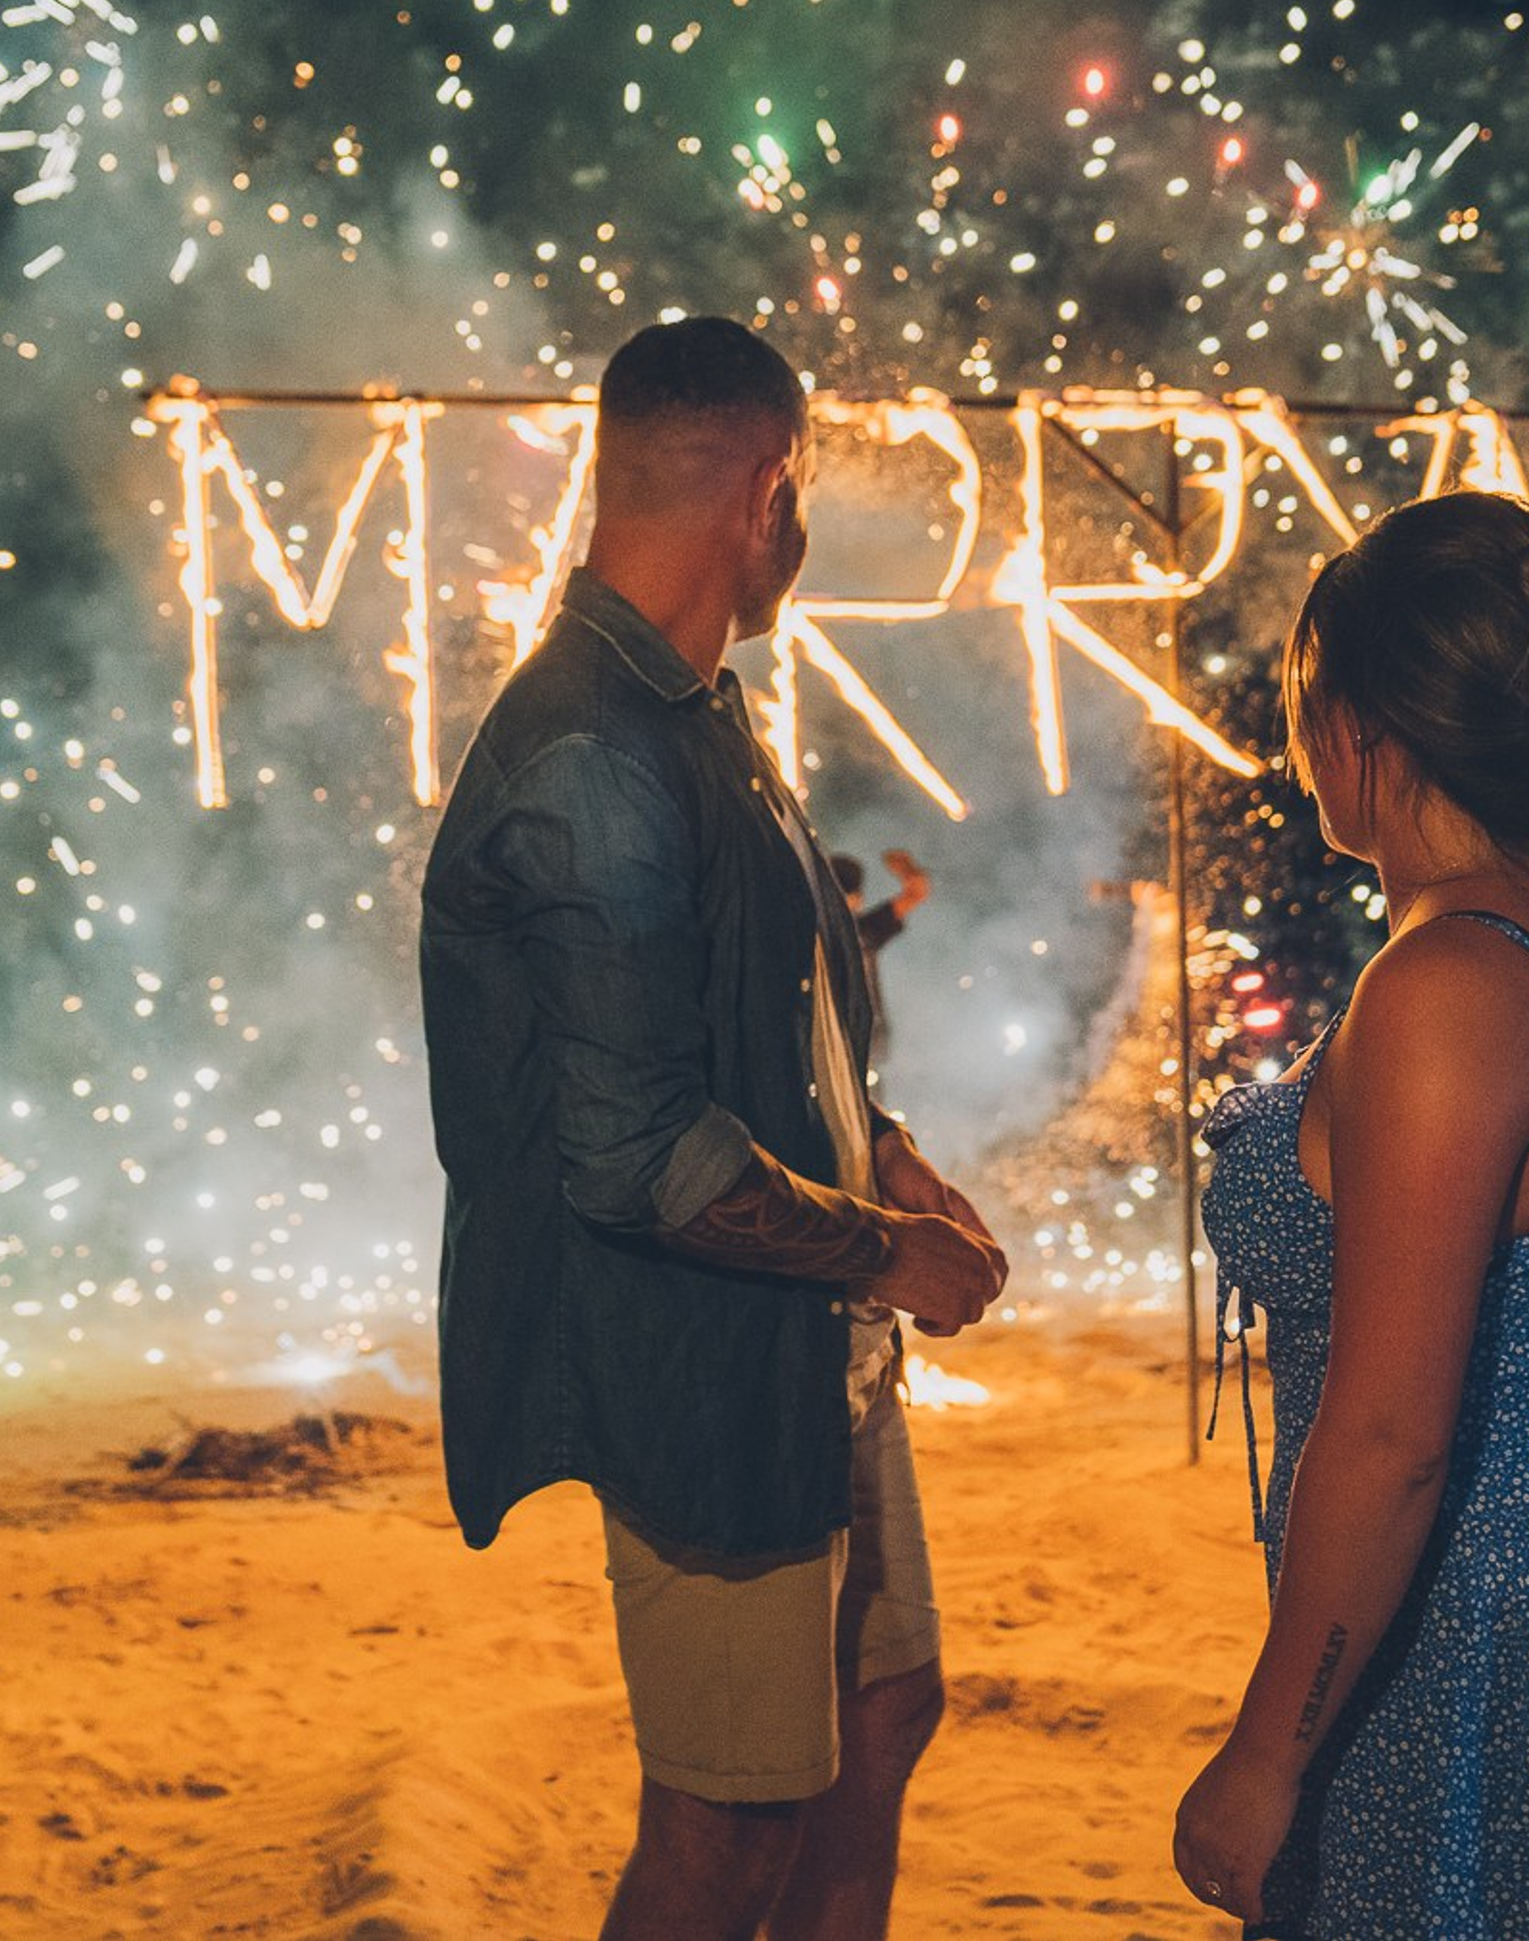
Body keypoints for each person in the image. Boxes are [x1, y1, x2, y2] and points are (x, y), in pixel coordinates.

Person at [421, 315, 1008, 1941]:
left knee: (882, 1721)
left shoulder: (698, 714)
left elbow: (772, 1012)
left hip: (816, 1352)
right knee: (729, 1832)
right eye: (801, 497)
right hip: (706, 1382)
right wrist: (889, 1253)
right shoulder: (599, 758)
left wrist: (880, 1147)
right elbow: (640, 1159)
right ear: (770, 494)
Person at [1176, 491, 1529, 1938]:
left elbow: (1390, 1439)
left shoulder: (1448, 991)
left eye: (1309, 698)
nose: (1297, 735)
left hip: (1481, 1640)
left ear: (1368, 724)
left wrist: (1264, 1752)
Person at [826, 848, 932, 1066]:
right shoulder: (863, 930)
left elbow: (917, 892)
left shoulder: (861, 930)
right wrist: (905, 867)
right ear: (857, 898)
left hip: (855, 1047)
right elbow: (917, 892)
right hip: (852, 1047)